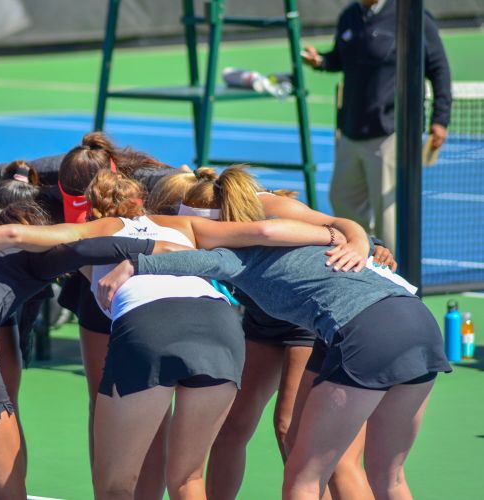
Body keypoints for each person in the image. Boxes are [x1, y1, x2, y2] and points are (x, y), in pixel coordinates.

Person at [99, 242, 451, 499]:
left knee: (304, 477)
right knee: (388, 477)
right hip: (420, 325)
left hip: (366, 332)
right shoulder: (316, 238)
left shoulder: (240, 255)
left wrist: (135, 265)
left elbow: (192, 257)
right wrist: (367, 240)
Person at [78, 170, 351, 499]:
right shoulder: (195, 228)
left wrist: (353, 240)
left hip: (288, 320)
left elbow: (27, 239)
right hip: (226, 327)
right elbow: (264, 232)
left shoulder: (105, 234)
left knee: (114, 486)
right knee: (192, 475)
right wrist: (340, 237)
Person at [0, 132, 179, 499]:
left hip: (144, 284)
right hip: (91, 282)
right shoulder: (59, 169)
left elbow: (191, 184)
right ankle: (108, 493)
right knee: (102, 399)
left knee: (152, 408)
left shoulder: (148, 179)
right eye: (73, 202)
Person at [148, 166, 382, 499]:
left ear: (223, 215)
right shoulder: (192, 206)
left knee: (291, 429)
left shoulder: (270, 208)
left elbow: (341, 225)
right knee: (231, 427)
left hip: (305, 319)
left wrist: (364, 243)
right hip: (263, 318)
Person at [301, 0, 452, 251]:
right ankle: (364, 259)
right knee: (342, 200)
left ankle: (393, 277)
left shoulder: (411, 15)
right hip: (351, 130)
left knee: (388, 217)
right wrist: (321, 61)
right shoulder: (350, 15)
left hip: (390, 132)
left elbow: (438, 67)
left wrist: (440, 119)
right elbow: (340, 58)